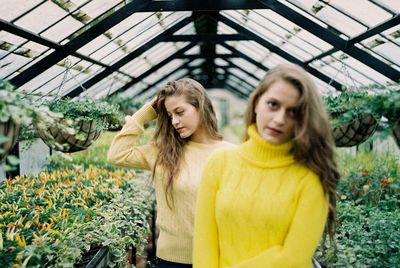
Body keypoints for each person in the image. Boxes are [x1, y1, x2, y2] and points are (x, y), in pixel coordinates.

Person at [193, 64, 340, 267]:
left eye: (293, 112)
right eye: (273, 104)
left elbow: (293, 257)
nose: (280, 119)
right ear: (256, 103)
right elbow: (204, 243)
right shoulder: (220, 163)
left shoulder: (311, 178)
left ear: (304, 119)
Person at [107, 78, 234, 268]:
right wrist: (146, 113)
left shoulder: (231, 154)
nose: (174, 121)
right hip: (171, 260)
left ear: (200, 107)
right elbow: (117, 155)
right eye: (169, 114)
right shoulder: (162, 151)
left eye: (180, 112)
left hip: (218, 259)